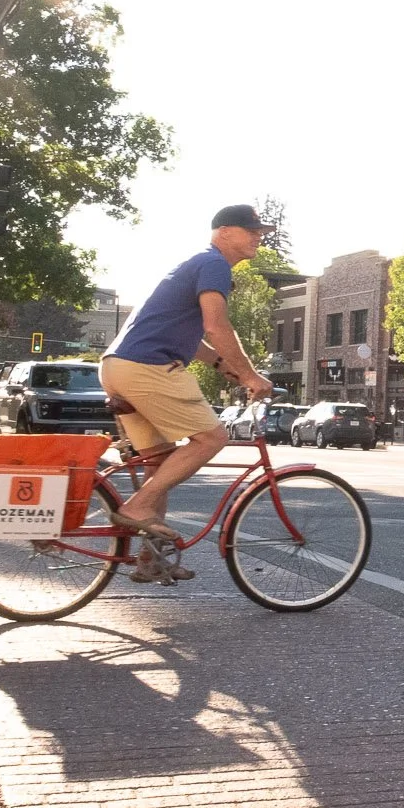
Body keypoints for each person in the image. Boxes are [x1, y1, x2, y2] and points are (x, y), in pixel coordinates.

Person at [100, 205, 275, 575]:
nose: (259, 236)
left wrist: (219, 364)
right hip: (148, 367)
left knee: (160, 464)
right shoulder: (214, 265)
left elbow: (192, 332)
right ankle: (137, 507)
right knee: (212, 438)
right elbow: (216, 325)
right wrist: (249, 375)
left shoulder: (196, 264)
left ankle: (151, 560)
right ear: (224, 232)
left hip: (118, 367)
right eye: (251, 230)